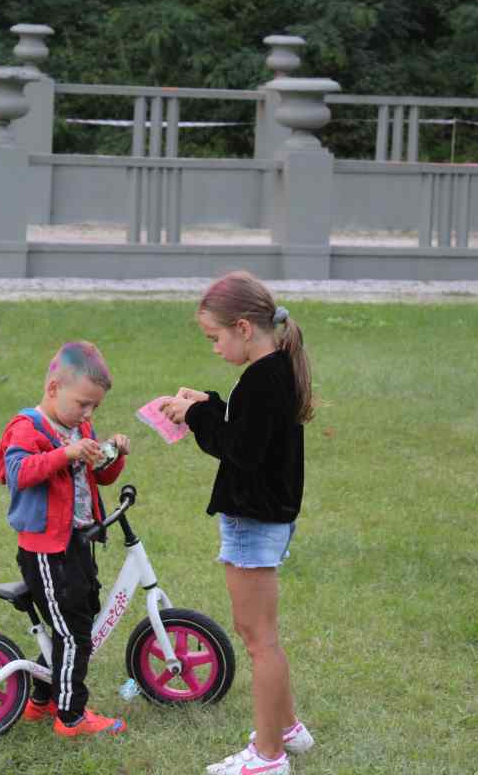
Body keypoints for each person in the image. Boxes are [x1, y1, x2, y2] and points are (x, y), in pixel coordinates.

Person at [161, 271, 315, 775]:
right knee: (263, 636)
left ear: (244, 328)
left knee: (258, 640)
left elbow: (238, 450)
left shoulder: (260, 380)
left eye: (215, 337)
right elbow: (250, 431)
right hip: (267, 517)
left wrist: (194, 418)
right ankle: (287, 729)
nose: (214, 348)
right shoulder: (274, 369)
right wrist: (208, 405)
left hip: (253, 521)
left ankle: (267, 757)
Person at [0, 341, 131, 737]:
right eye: (83, 404)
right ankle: (71, 716)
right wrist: (67, 453)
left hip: (77, 543)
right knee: (74, 633)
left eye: (95, 407)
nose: (88, 414)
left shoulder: (79, 429)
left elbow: (98, 476)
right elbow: (18, 473)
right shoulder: (28, 427)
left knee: (73, 623)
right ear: (54, 389)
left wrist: (115, 454)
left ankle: (41, 700)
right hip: (46, 551)